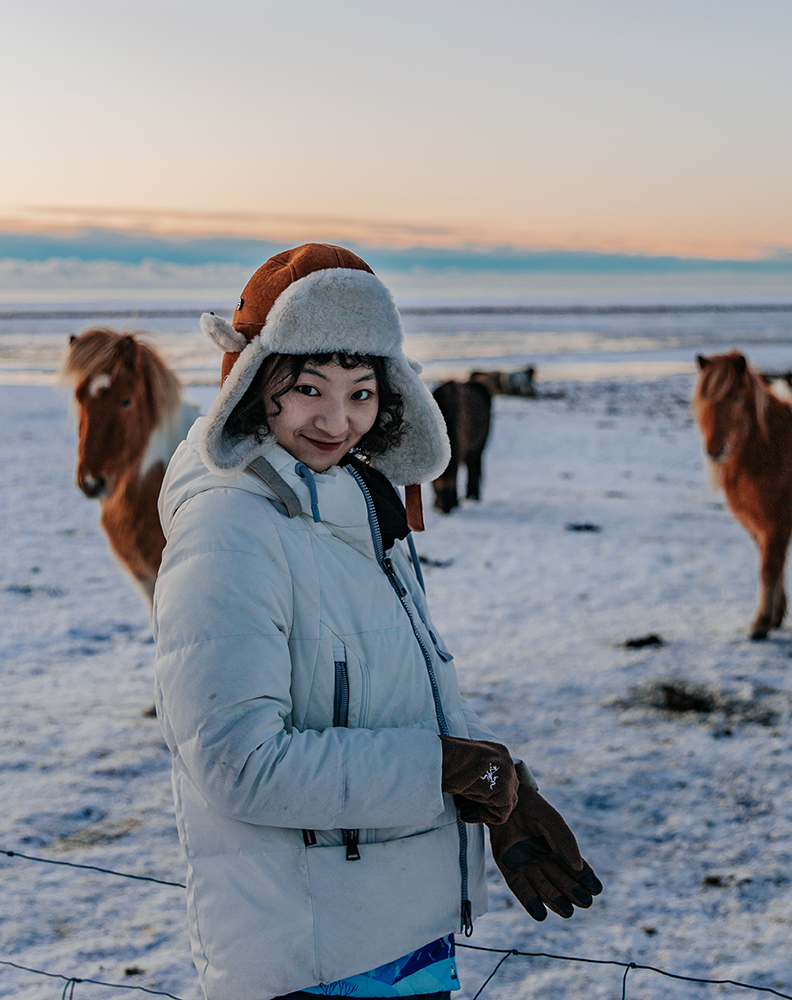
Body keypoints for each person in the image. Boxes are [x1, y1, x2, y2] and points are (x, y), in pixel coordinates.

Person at [152, 243, 603, 1000]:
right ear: (252, 386)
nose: (338, 421)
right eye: (307, 389)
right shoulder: (229, 531)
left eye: (362, 392)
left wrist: (501, 789)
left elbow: (390, 703)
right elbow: (239, 764)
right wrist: (449, 770)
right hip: (312, 962)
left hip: (401, 939)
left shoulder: (360, 512)